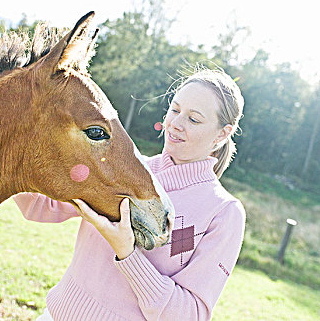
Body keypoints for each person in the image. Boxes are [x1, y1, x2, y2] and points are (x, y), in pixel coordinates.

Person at [13, 65, 245, 321]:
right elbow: (40, 206)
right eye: (175, 110)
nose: (176, 124)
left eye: (193, 119)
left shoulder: (223, 213)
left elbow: (188, 315)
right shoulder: (124, 170)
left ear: (222, 135)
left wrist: (127, 252)